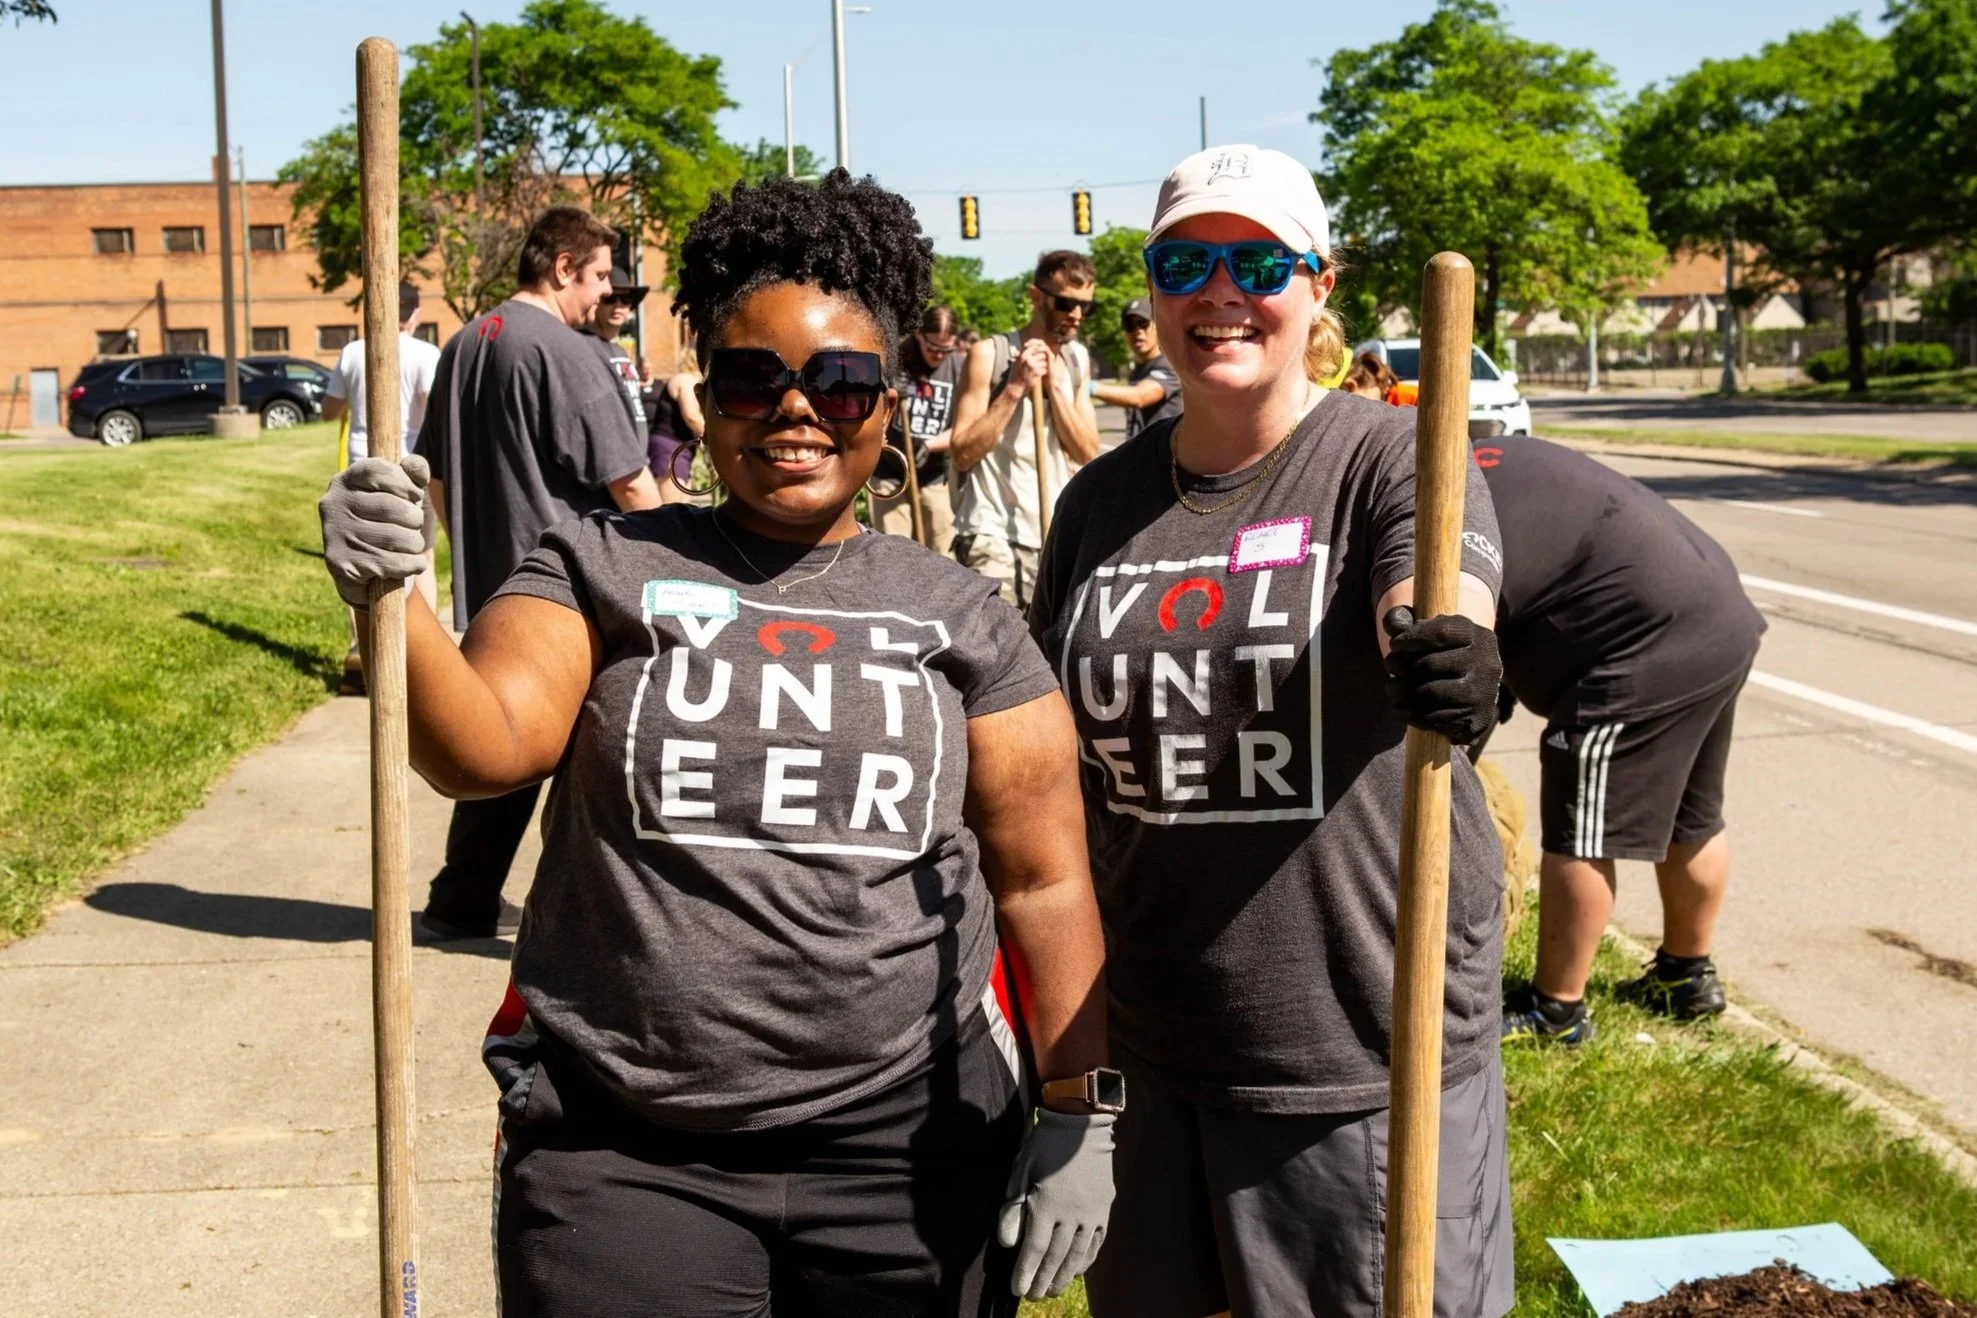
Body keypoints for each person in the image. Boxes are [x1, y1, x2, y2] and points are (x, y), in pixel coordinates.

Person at [319, 168, 1115, 1314]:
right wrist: (389, 600)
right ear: (706, 396)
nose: (796, 411)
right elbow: (478, 747)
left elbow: (1043, 880)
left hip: (909, 1154)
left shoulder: (960, 613)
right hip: (624, 1152)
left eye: (841, 384)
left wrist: (1083, 1106)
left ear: (889, 402)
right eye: (754, 378)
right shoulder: (601, 563)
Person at [1028, 145, 1513, 1318]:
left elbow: (1436, 595)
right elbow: (1050, 757)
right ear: (1150, 290)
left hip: (1352, 1041)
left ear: (1321, 284)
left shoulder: (1386, 457)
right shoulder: (1101, 502)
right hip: (1150, 1035)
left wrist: (1448, 650)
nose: (1220, 291)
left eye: (1260, 262)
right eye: (1186, 262)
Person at [409, 205, 665, 942]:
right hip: (574, 593)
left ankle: (461, 901)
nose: (600, 296)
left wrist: (477, 550)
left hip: (496, 586)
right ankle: (583, 921)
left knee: (502, 742)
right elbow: (629, 483)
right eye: (596, 279)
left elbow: (435, 478)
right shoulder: (565, 351)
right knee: (594, 759)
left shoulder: (463, 344)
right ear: (561, 269)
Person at [1473, 434, 1764, 1044]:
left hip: (1646, 638)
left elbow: (1468, 663)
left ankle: (1557, 1011)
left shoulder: (1446, 512)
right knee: (1693, 817)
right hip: (1718, 615)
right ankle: (1686, 978)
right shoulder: (1488, 458)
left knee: (1581, 824)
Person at [949, 251, 1103, 609]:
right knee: (998, 650)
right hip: (991, 530)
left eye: (1085, 307)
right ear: (1036, 297)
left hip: (1051, 531)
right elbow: (962, 452)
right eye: (1066, 303)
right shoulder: (989, 354)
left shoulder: (1077, 359)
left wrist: (1053, 387)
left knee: (1047, 652)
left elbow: (1086, 452)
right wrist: (1016, 387)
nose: (1076, 315)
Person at [322, 280, 442, 693]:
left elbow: (328, 410)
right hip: (413, 468)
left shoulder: (352, 352)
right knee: (420, 555)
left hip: (362, 468)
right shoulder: (427, 354)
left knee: (358, 562)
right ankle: (425, 662)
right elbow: (432, 409)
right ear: (416, 313)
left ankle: (364, 653)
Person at [871, 304, 966, 547]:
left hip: (933, 475)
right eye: (933, 347)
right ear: (919, 336)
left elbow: (965, 424)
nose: (939, 355)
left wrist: (931, 444)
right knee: (895, 549)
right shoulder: (896, 359)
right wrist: (888, 392)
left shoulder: (959, 366)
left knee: (940, 549)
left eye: (946, 349)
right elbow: (869, 416)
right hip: (891, 471)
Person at [1090, 297, 1182, 442]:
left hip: (1164, 460)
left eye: (1143, 323)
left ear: (1157, 326)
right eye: (1130, 326)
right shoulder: (1137, 372)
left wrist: (1089, 387)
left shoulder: (1170, 365)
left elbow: (1139, 397)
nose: (1137, 332)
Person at [584, 266, 648, 435]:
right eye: (611, 298)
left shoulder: (621, 350)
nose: (618, 305)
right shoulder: (585, 346)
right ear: (597, 302)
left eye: (626, 299)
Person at [642, 362, 706, 505]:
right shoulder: (685, 380)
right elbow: (691, 416)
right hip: (669, 447)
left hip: (678, 448)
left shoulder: (688, 381)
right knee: (672, 508)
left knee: (683, 507)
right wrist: (715, 436)